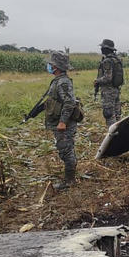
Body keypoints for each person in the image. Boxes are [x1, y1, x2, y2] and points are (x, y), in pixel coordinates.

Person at [43, 52, 77, 189]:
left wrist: (62, 122)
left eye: (50, 64)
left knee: (65, 150)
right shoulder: (59, 80)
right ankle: (70, 173)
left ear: (55, 67)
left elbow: (69, 103)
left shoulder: (63, 82)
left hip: (64, 124)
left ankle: (69, 181)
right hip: (59, 121)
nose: (49, 66)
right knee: (66, 149)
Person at [95, 38, 124, 126]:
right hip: (116, 90)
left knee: (109, 115)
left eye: (102, 47)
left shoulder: (107, 61)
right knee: (117, 115)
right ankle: (120, 135)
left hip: (108, 92)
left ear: (106, 49)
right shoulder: (116, 59)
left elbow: (108, 78)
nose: (101, 49)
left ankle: (113, 137)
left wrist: (97, 81)